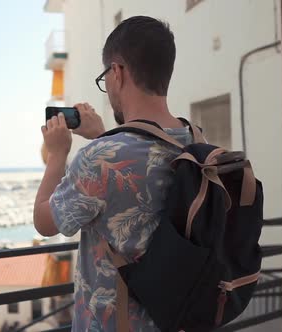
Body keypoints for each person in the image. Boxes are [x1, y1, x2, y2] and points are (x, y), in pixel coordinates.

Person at [34, 16, 193, 331]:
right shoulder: (194, 138)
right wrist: (103, 137)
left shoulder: (100, 159)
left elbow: (44, 222)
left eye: (105, 76)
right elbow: (137, 171)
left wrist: (57, 155)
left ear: (117, 72)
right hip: (178, 318)